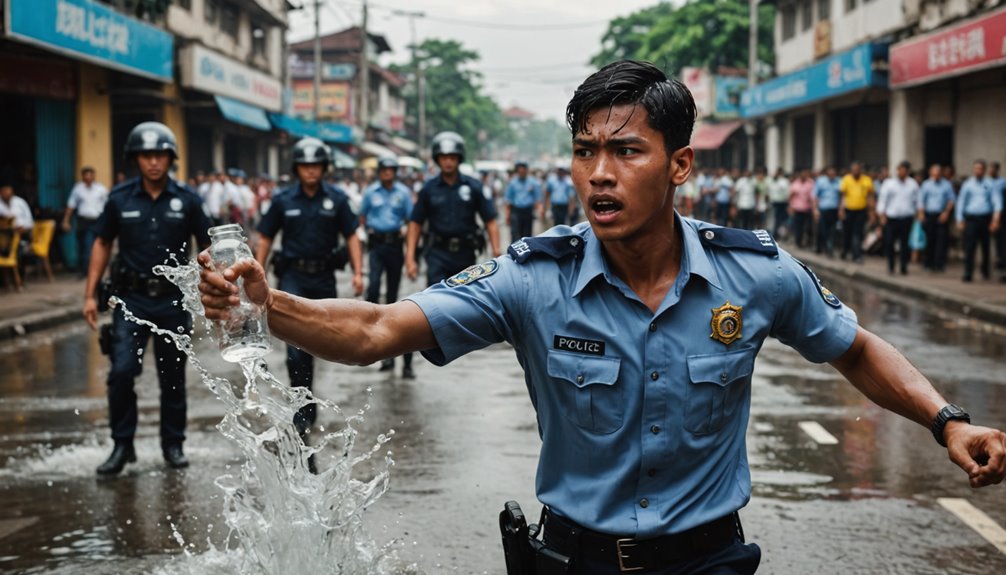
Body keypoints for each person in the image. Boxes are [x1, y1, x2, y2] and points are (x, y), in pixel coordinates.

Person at [198, 60, 1006, 574]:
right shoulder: (531, 276)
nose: (599, 174)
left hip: (709, 561)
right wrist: (272, 305)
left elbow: (854, 346)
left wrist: (946, 422)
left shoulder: (754, 274)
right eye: (586, 151)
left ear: (680, 164)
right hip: (571, 560)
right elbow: (377, 329)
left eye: (627, 150)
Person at [84, 121, 211, 475]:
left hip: (172, 302)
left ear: (171, 159)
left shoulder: (188, 200)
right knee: (122, 373)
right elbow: (102, 243)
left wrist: (218, 291)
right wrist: (90, 295)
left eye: (160, 155)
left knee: (172, 377)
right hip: (130, 301)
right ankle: (122, 445)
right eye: (146, 156)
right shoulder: (119, 198)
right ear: (134, 159)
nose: (153, 162)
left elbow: (209, 248)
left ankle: (173, 444)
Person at [255, 137, 364, 439]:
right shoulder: (282, 200)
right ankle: (303, 413)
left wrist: (358, 271)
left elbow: (353, 235)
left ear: (324, 168)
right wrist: (256, 273)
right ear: (296, 168)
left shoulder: (338, 200)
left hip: (324, 279)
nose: (311, 171)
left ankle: (307, 402)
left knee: (321, 341)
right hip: (292, 279)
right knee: (295, 350)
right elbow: (265, 237)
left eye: (316, 165)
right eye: (305, 165)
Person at [405, 131, 501, 287]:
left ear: (459, 158)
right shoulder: (428, 189)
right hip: (437, 253)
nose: (448, 162)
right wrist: (410, 259)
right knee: (435, 300)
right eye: (444, 157)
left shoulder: (474, 187)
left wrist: (496, 251)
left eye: (452, 157)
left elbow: (490, 221)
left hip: (466, 254)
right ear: (437, 159)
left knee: (465, 302)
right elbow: (415, 223)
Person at [360, 157, 415, 379]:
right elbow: (361, 216)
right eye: (384, 170)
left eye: (391, 170)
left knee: (393, 293)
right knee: (373, 287)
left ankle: (390, 348)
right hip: (376, 245)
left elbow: (411, 219)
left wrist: (408, 242)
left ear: (395, 172)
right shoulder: (370, 192)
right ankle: (372, 323)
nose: (387, 174)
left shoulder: (403, 192)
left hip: (395, 244)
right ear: (379, 172)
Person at [955, 160, 1002, 282]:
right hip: (971, 219)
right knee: (970, 246)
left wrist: (995, 220)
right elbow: (961, 202)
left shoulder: (990, 184)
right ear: (973, 169)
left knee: (985, 246)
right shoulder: (968, 184)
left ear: (984, 170)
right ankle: (968, 272)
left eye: (980, 169)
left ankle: (985, 271)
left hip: (985, 218)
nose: (978, 171)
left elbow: (997, 202)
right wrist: (960, 219)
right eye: (976, 168)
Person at [62, 166, 110, 278]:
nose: (88, 177)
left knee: (93, 245)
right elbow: (71, 205)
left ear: (93, 176)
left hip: (97, 221)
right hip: (83, 221)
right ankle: (85, 270)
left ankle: (92, 271)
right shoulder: (78, 189)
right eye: (85, 175)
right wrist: (66, 220)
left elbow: (108, 205)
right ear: (82, 176)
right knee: (83, 246)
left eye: (90, 174)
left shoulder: (101, 189)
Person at [877, 161, 920, 275]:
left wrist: (919, 213)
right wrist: (881, 215)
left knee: (905, 244)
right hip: (892, 218)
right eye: (900, 170)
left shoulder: (912, 184)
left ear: (907, 171)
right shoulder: (889, 184)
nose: (901, 172)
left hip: (907, 218)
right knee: (890, 242)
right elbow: (882, 200)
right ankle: (891, 266)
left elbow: (918, 201)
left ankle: (903, 266)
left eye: (904, 170)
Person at [916, 164, 955, 273]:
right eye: (935, 172)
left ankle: (940, 264)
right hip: (929, 215)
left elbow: (951, 200)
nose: (937, 174)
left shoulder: (946, 185)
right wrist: (921, 214)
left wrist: (946, 212)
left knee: (941, 240)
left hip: (941, 215)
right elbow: (921, 200)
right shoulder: (926, 185)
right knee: (930, 240)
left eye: (938, 172)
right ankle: (928, 263)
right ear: (931, 173)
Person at [839, 161, 874, 263]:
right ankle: (845, 251)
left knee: (857, 234)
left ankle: (857, 255)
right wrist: (841, 210)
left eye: (857, 170)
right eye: (854, 170)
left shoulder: (866, 180)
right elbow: (843, 196)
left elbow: (870, 197)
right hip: (848, 210)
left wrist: (871, 212)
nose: (856, 172)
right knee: (847, 233)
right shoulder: (846, 180)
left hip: (861, 211)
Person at [504, 161, 542, 241]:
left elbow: (537, 198)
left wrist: (540, 210)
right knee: (515, 233)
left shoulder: (533, 182)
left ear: (526, 171)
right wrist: (507, 215)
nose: (521, 172)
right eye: (519, 171)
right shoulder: (512, 183)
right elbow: (508, 199)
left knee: (527, 235)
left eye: (523, 170)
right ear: (517, 171)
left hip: (528, 211)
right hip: (516, 211)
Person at [814, 166, 841, 257]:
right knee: (823, 230)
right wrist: (815, 210)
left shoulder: (839, 181)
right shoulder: (821, 181)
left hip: (834, 210)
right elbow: (815, 196)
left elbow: (842, 196)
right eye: (830, 174)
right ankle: (825, 248)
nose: (832, 176)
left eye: (833, 174)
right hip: (823, 210)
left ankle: (829, 248)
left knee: (832, 231)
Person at [788, 169, 815, 248]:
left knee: (807, 227)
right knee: (798, 226)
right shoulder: (795, 183)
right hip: (797, 209)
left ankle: (807, 242)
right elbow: (791, 196)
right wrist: (790, 206)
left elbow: (812, 196)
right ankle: (798, 242)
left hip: (807, 208)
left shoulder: (810, 183)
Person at [768, 167, 790, 238]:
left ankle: (780, 234)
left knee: (782, 220)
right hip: (775, 202)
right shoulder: (773, 181)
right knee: (775, 219)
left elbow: (786, 192)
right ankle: (775, 233)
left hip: (783, 203)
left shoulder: (784, 181)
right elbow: (771, 191)